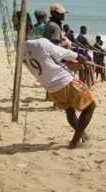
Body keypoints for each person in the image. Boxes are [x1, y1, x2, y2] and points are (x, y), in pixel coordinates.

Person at [18, 12, 96, 149]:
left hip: (51, 89)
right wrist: (78, 55)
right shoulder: (41, 43)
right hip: (64, 81)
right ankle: (74, 142)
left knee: (70, 110)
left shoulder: (18, 47)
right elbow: (62, 52)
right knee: (91, 106)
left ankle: (81, 135)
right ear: (30, 26)